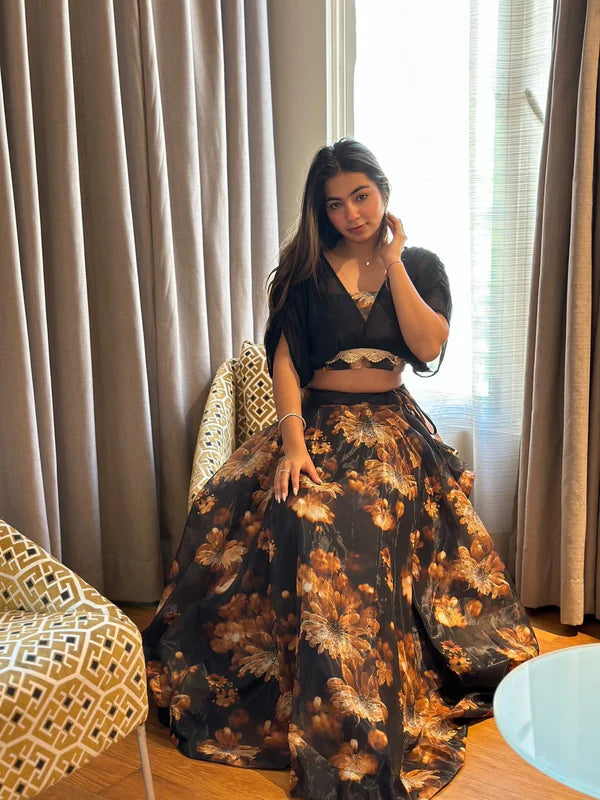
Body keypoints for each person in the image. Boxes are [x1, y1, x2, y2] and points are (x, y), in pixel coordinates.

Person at [142, 138, 539, 800]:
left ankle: (369, 703)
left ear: (383, 192)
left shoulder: (420, 265)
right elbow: (285, 363)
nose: (352, 213)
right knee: (283, 511)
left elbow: (427, 345)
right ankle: (313, 694)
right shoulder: (301, 274)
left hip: (392, 430)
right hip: (317, 426)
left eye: (362, 196)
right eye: (335, 204)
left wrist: (394, 264)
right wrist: (294, 446)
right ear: (320, 210)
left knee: (366, 523)